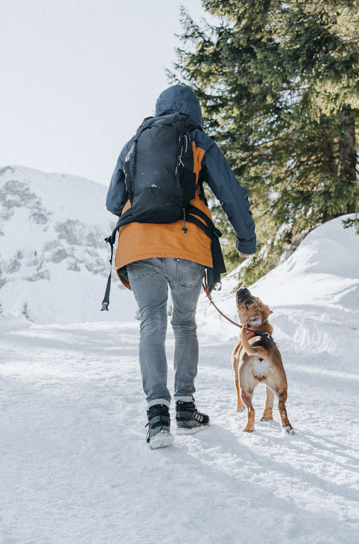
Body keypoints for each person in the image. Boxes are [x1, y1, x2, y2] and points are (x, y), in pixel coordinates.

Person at [106, 84, 257, 448]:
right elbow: (231, 192)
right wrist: (245, 241)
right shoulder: (197, 138)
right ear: (195, 111)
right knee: (184, 322)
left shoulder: (136, 141)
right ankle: (186, 409)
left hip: (138, 245)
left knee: (151, 322)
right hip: (187, 242)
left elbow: (114, 202)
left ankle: (157, 418)